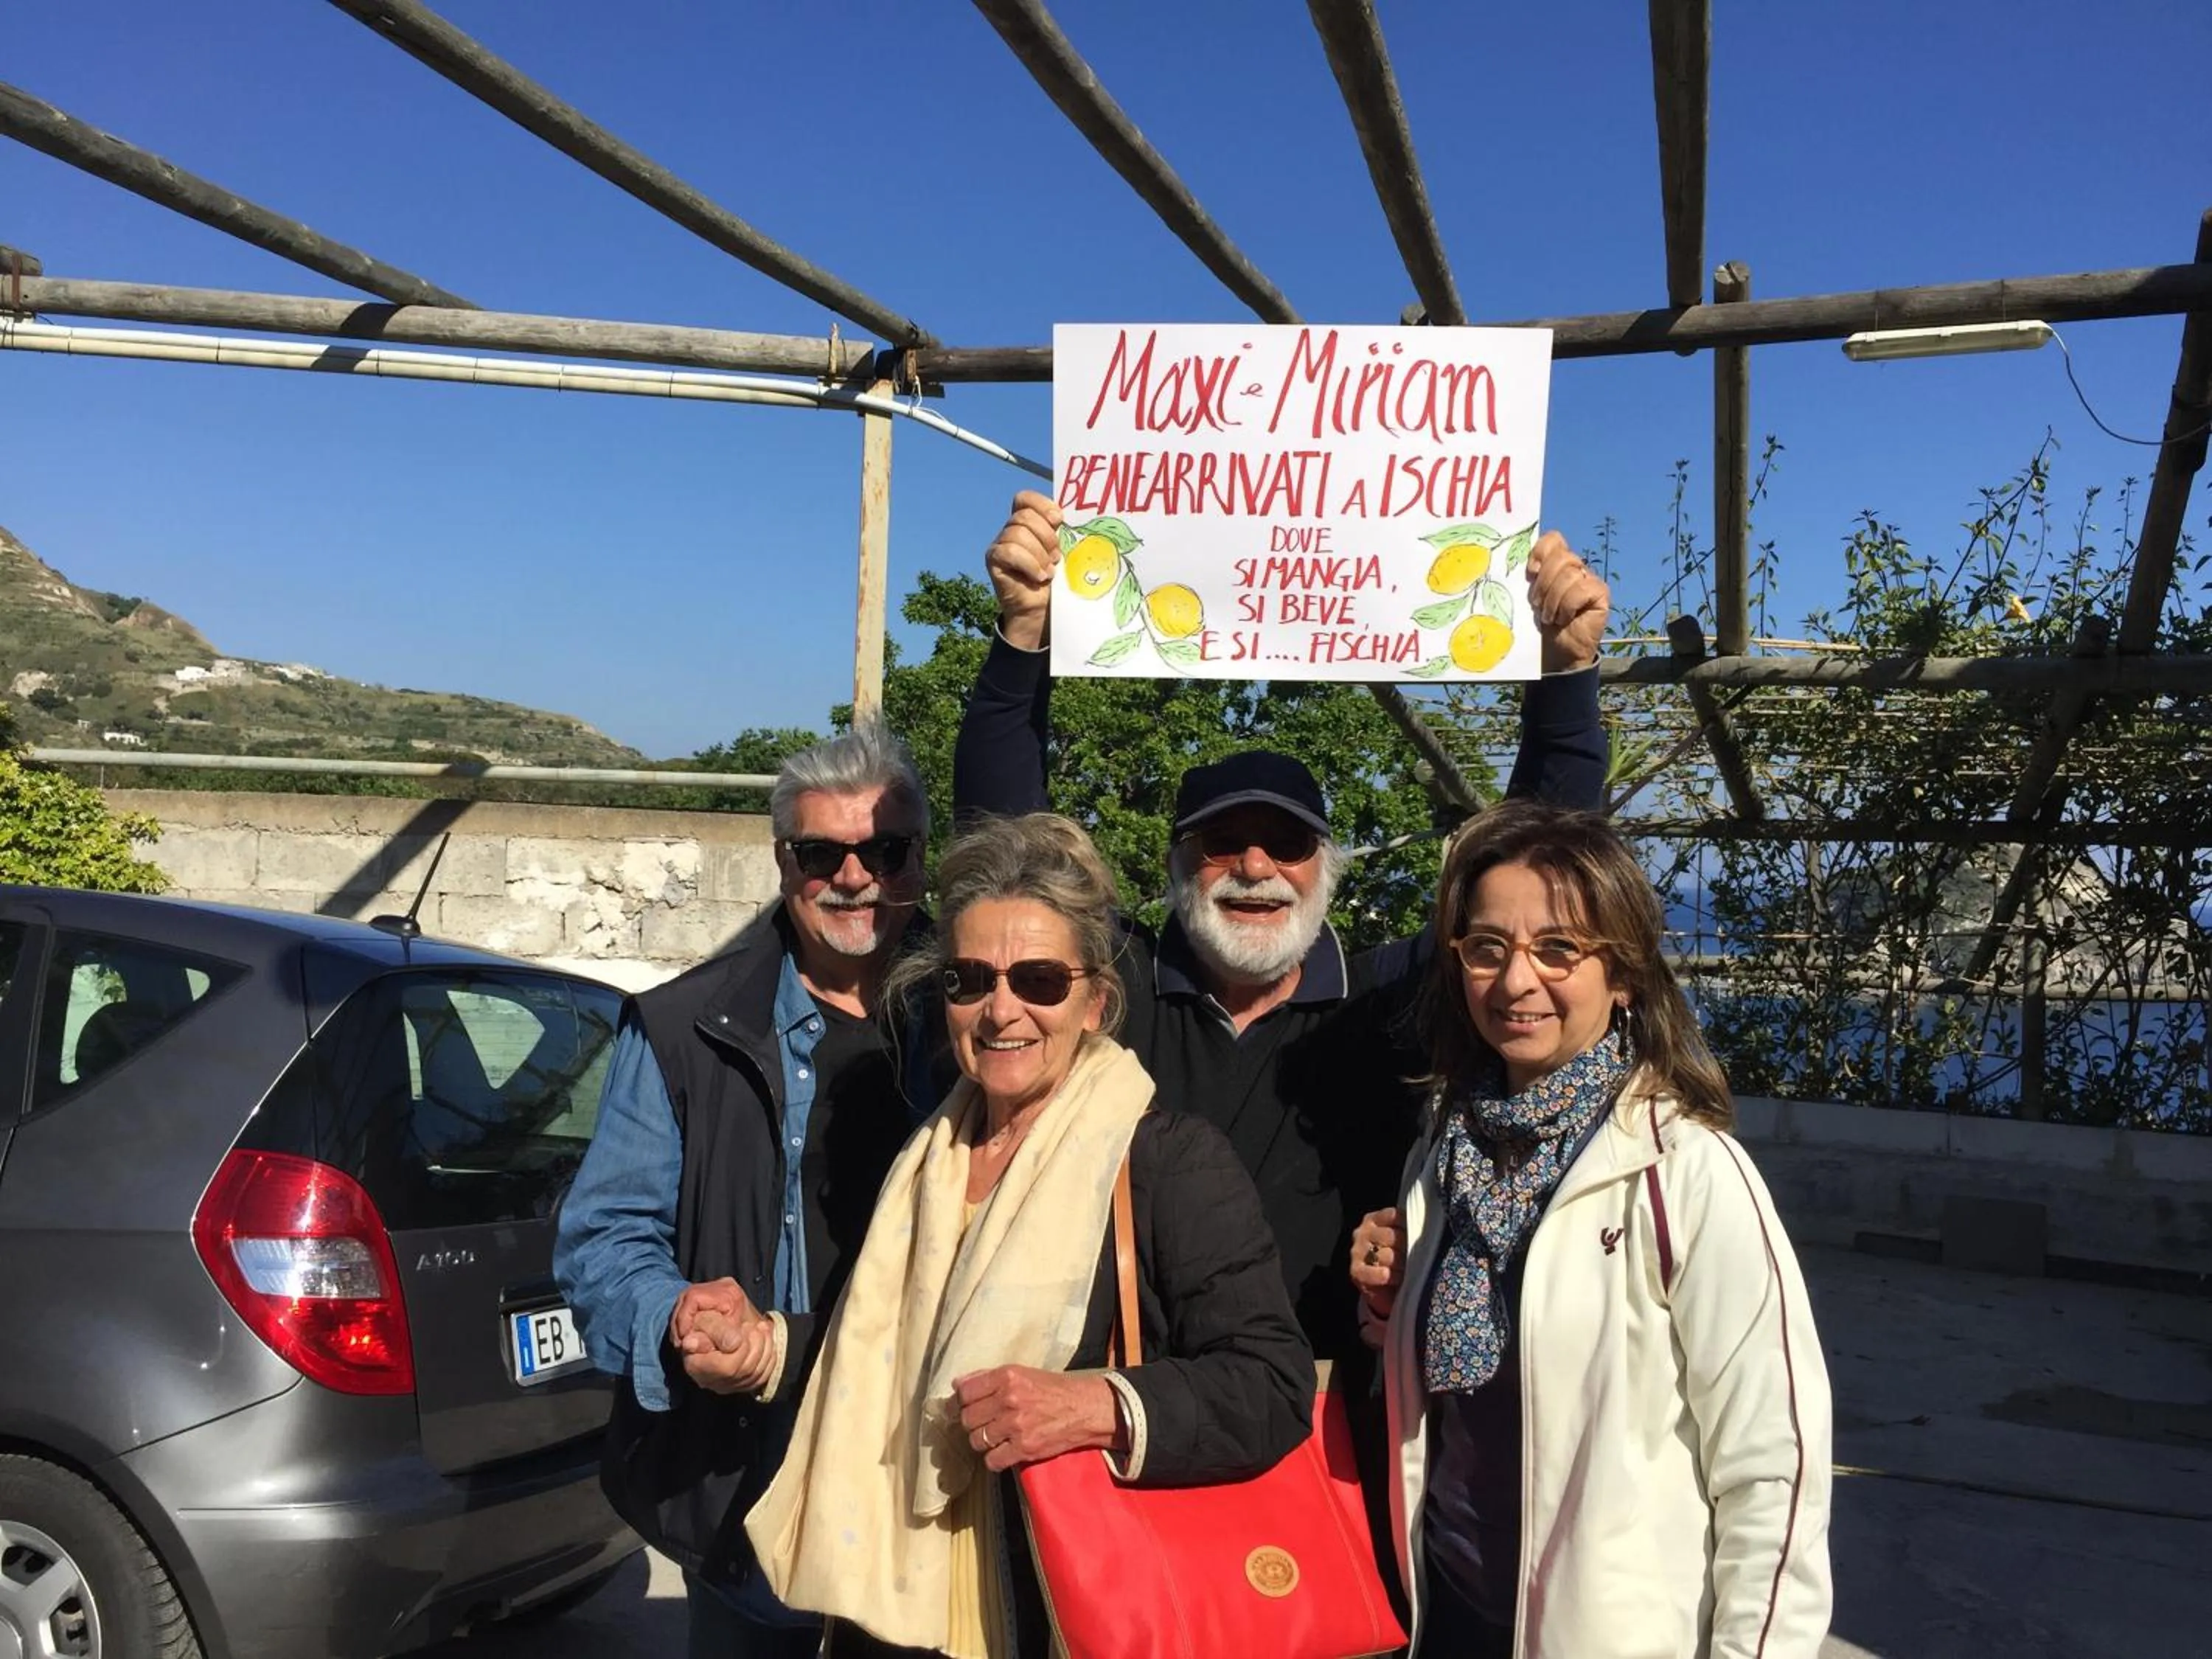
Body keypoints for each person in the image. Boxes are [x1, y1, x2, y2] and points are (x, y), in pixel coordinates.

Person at [953, 490, 1614, 1368]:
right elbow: (1010, 853)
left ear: (1326, 868)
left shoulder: (1389, 1005)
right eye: (1222, 843)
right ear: (1180, 867)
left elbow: (1543, 874)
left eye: (1288, 843)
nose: (1256, 866)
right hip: (1122, 1414)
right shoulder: (1110, 994)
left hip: (1329, 1425)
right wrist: (1022, 643)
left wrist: (1565, 682)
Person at [744, 813, 1312, 1658]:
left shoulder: (1165, 1160)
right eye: (970, 979)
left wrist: (1096, 1405)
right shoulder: (928, 1156)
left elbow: (1273, 1384)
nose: (1001, 1008)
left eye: (1040, 979)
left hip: (1056, 1608)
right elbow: (896, 1350)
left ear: (1095, 1002)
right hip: (891, 1608)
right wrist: (767, 1348)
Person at [1349, 799, 1832, 1658]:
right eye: (1488, 947)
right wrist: (1396, 1311)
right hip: (1450, 1618)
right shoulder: (1444, 1150)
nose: (1517, 980)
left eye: (1560, 949)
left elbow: (1774, 1467)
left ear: (1624, 976)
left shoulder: (1683, 1171)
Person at [554, 721, 947, 1659]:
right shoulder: (686, 1027)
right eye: (824, 853)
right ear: (783, 863)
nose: (855, 877)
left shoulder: (986, 1008)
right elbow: (603, 1235)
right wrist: (678, 1315)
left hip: (937, 1468)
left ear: (920, 862)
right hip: (752, 1475)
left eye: (885, 851)